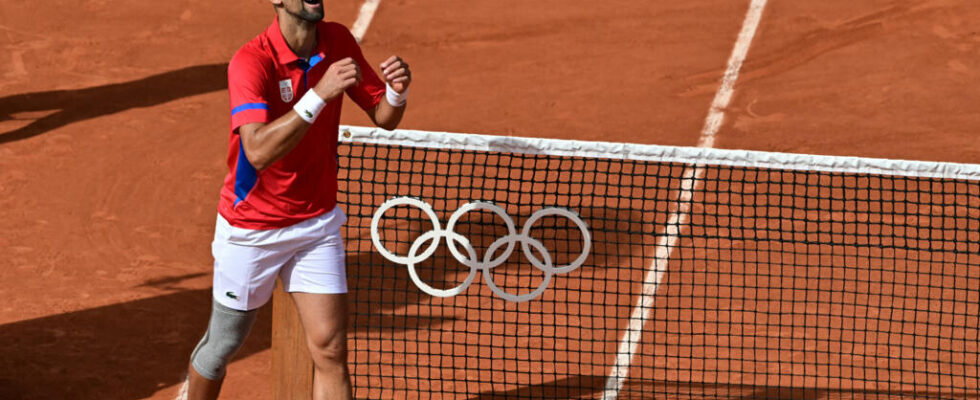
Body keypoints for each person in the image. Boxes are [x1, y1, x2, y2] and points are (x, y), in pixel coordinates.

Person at [177, 0, 411, 398]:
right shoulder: (251, 61)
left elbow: (383, 115)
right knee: (222, 346)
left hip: (315, 224)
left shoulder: (337, 40)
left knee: (331, 350)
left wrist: (397, 92)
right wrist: (319, 94)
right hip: (252, 227)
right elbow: (257, 150)